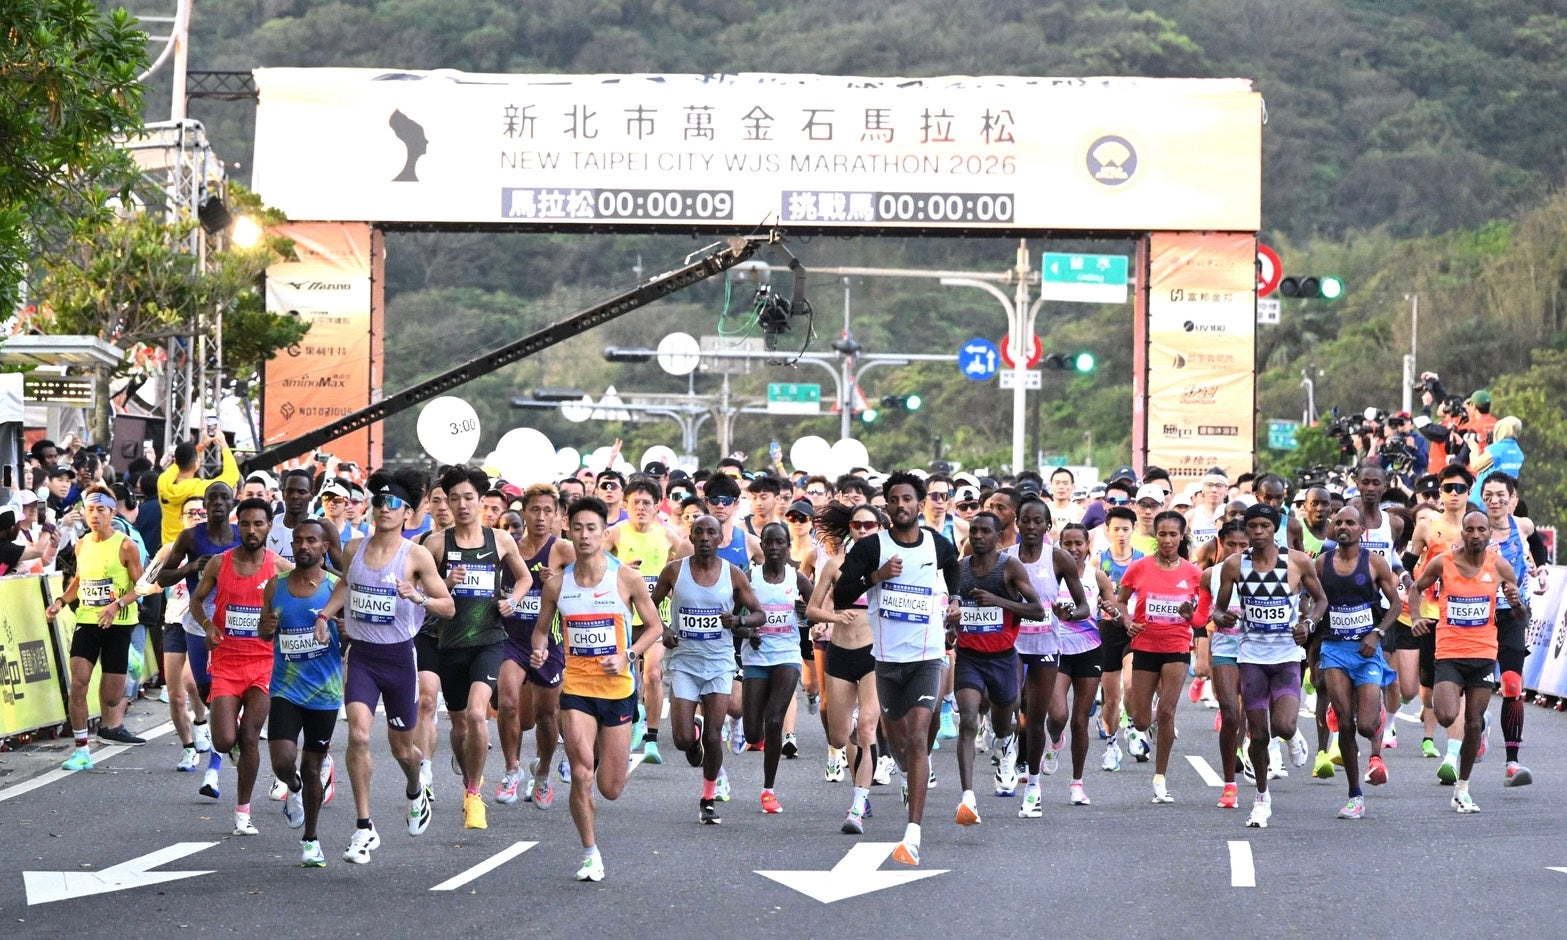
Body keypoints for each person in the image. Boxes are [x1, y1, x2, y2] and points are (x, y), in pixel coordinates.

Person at [315, 469, 454, 863]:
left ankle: (415, 788)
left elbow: (448, 605)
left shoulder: (417, 556)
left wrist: (418, 597)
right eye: (379, 501)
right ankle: (363, 827)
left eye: (393, 503)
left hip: (399, 659)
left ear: (408, 513)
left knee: (402, 749)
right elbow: (347, 584)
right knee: (358, 736)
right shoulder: (353, 547)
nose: (384, 508)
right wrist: (325, 614)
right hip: (361, 656)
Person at [530, 496, 665, 882]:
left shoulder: (625, 578)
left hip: (618, 690)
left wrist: (628, 655)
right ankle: (590, 852)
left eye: (593, 528)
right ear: (567, 530)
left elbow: (654, 627)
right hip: (575, 689)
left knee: (610, 788)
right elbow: (542, 629)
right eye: (578, 528)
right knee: (581, 773)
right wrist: (539, 651)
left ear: (604, 533)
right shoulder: (558, 584)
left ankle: (600, 779)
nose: (585, 535)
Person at [833, 472, 961, 867]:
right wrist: (876, 576)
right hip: (886, 661)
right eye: (894, 499)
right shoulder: (872, 547)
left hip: (927, 657)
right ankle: (907, 774)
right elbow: (840, 593)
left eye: (908, 498)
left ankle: (913, 834)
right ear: (886, 505)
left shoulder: (937, 544)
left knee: (919, 737)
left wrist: (954, 598)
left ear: (920, 504)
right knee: (901, 744)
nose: (901, 505)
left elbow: (954, 566)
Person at [423, 466, 533, 830]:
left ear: (482, 501)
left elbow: (525, 577)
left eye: (469, 498)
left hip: (489, 639)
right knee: (459, 726)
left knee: (476, 713)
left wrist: (512, 601)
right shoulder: (437, 544)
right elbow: (420, 589)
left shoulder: (499, 540)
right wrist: (443, 581)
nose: (462, 505)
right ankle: (469, 772)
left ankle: (474, 795)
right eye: (454, 498)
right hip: (449, 642)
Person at [1213, 504, 1327, 828]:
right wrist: (1224, 617)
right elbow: (1218, 611)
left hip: (1287, 655)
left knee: (1285, 724)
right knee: (1259, 734)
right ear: (1246, 530)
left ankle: (1292, 737)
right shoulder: (1234, 565)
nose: (1258, 532)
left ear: (1275, 529)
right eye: (1253, 527)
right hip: (1251, 656)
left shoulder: (1297, 562)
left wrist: (1308, 623)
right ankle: (1262, 798)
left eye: (1265, 526)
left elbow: (1321, 601)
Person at [653, 514, 767, 824]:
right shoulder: (674, 571)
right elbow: (650, 606)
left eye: (711, 533)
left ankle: (708, 797)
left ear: (720, 539)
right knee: (680, 739)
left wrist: (739, 621)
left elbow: (759, 614)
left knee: (715, 737)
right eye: (699, 532)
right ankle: (693, 733)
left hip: (718, 663)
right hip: (685, 664)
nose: (705, 537)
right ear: (690, 537)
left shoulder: (732, 575)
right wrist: (663, 629)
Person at [1411, 509, 1522, 813]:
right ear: (1462, 532)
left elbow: (1520, 615)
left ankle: (1463, 788)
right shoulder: (1444, 562)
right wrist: (1418, 617)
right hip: (1448, 652)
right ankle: (1477, 721)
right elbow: (1415, 588)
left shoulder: (1499, 567)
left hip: (1484, 653)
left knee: (1471, 723)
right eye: (1469, 529)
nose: (1475, 535)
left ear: (1489, 533)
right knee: (1446, 715)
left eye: (1481, 530)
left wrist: (1516, 602)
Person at [191, 497, 287, 836]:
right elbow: (196, 600)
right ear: (238, 525)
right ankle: (230, 751)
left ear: (269, 527)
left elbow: (306, 595)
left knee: (249, 736)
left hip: (263, 664)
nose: (251, 530)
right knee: (222, 740)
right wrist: (208, 626)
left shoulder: (279, 568)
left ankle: (243, 811)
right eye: (245, 524)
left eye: (258, 524)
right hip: (227, 663)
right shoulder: (220, 563)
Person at [952, 511, 1048, 825]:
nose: (978, 536)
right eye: (974, 531)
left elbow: (1036, 610)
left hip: (1004, 658)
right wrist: (951, 620)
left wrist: (998, 600)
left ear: (998, 536)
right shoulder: (960, 569)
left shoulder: (1009, 567)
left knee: (1004, 721)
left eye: (985, 532)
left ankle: (1005, 744)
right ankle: (968, 797)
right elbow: (949, 610)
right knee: (967, 719)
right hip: (969, 656)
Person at [260, 519, 343, 865]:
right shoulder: (275, 586)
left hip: (325, 693)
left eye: (312, 541)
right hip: (286, 689)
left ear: (325, 547)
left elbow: (352, 631)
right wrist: (266, 628)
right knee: (282, 761)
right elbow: (265, 633)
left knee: (312, 767)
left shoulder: (337, 587)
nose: (303, 546)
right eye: (298, 541)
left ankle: (311, 840)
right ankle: (290, 788)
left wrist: (343, 629)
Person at [46, 486, 144, 771]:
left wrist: (116, 605)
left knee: (112, 697)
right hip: (88, 620)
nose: (95, 515)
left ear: (112, 513)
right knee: (79, 682)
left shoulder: (126, 545)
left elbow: (141, 586)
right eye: (90, 509)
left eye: (101, 509)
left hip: (119, 623)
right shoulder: (82, 543)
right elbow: (78, 579)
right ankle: (81, 750)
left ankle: (131, 660)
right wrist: (62, 601)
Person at [1315, 508, 1403, 819]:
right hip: (1334, 650)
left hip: (1366, 651)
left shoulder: (1374, 562)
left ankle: (1376, 709)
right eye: (1338, 522)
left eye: (1350, 523)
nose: (1343, 527)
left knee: (1366, 725)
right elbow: (1310, 598)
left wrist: (1377, 634)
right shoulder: (1322, 563)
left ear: (1362, 529)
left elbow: (1396, 603)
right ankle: (1355, 794)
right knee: (1346, 722)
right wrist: (1308, 620)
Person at [1111, 510, 1202, 804]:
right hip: (1145, 647)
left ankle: (1160, 778)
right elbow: (1120, 602)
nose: (1167, 540)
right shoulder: (1139, 568)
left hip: (1176, 646)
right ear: (1155, 537)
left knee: (1166, 713)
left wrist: (1192, 616)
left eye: (1173, 534)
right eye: (1162, 534)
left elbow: (1202, 615)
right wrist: (1126, 622)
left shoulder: (1193, 572)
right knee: (1140, 720)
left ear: (1181, 536)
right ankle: (1137, 724)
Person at [805, 502, 883, 833]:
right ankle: (861, 778)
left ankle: (857, 803)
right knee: (840, 735)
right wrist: (834, 617)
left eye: (870, 525)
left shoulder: (888, 567)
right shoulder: (835, 565)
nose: (863, 531)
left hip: (874, 654)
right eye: (857, 525)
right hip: (839, 652)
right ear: (849, 528)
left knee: (866, 727)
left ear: (881, 528)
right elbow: (811, 609)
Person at [496, 484, 575, 806]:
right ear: (524, 512)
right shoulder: (509, 548)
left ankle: (542, 772)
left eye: (548, 511)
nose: (541, 517)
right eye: (534, 510)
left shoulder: (563, 550)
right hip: (510, 639)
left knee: (545, 716)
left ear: (557, 515)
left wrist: (557, 580)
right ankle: (512, 770)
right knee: (509, 703)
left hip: (549, 641)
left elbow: (594, 578)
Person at [605, 476, 689, 761]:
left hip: (656, 618)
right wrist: (619, 567)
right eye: (635, 502)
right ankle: (635, 718)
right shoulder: (615, 533)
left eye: (646, 503)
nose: (640, 507)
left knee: (653, 673)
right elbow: (593, 564)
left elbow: (687, 559)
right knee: (629, 678)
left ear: (656, 507)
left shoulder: (666, 535)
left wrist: (671, 581)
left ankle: (652, 739)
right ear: (625, 504)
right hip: (624, 620)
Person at [742, 523, 813, 814]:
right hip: (755, 658)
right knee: (752, 732)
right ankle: (749, 736)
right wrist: (749, 633)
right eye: (768, 542)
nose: (773, 548)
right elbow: (733, 621)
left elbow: (816, 609)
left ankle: (768, 791)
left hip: (786, 654)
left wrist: (806, 616)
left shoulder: (797, 579)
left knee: (774, 722)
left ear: (787, 547)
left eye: (779, 543)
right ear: (761, 544)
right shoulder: (748, 579)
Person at [1042, 523, 1108, 809]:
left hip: (1089, 651)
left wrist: (1116, 611)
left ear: (1087, 547)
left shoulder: (1097, 576)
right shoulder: (1050, 577)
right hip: (1056, 651)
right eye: (1066, 544)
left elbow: (1113, 605)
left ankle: (1077, 784)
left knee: (1081, 720)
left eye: (1078, 543)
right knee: (1058, 715)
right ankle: (1055, 740)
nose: (1073, 549)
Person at [1479, 471, 1535, 786]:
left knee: (1512, 685)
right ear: (1482, 498)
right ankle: (1479, 723)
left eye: (1502, 495)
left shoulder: (1522, 526)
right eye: (1489, 495)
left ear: (1512, 498)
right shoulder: (1474, 530)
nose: (1496, 501)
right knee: (1479, 688)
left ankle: (1512, 762)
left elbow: (1537, 547)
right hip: (1480, 617)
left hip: (1514, 615)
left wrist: (1538, 569)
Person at [1199, 521, 1249, 809]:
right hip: (1225, 649)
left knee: (1255, 715)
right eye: (1232, 545)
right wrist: (1212, 617)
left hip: (1258, 651)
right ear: (1220, 543)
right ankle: (1230, 785)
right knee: (1230, 712)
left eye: (1244, 546)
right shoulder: (1210, 576)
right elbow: (1199, 616)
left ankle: (1261, 751)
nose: (1237, 551)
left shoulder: (1265, 573)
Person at [1097, 505, 1144, 762]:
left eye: (1126, 529)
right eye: (1116, 529)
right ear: (1107, 530)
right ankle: (1112, 744)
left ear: (1133, 530)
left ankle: (1133, 727)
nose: (1121, 534)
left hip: (1136, 629)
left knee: (1131, 684)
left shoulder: (1143, 560)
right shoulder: (1099, 561)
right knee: (1111, 698)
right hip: (1107, 630)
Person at [157, 431, 240, 547]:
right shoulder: (201, 488)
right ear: (196, 464)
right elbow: (232, 475)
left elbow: (176, 466)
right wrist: (224, 445)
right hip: (191, 547)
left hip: (167, 548)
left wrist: (201, 447)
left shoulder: (162, 482)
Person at [267, 469, 342, 569]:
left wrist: (322, 568)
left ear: (312, 495)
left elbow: (343, 574)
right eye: (290, 491)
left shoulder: (324, 526)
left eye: (301, 492)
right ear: (283, 493)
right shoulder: (269, 524)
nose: (295, 496)